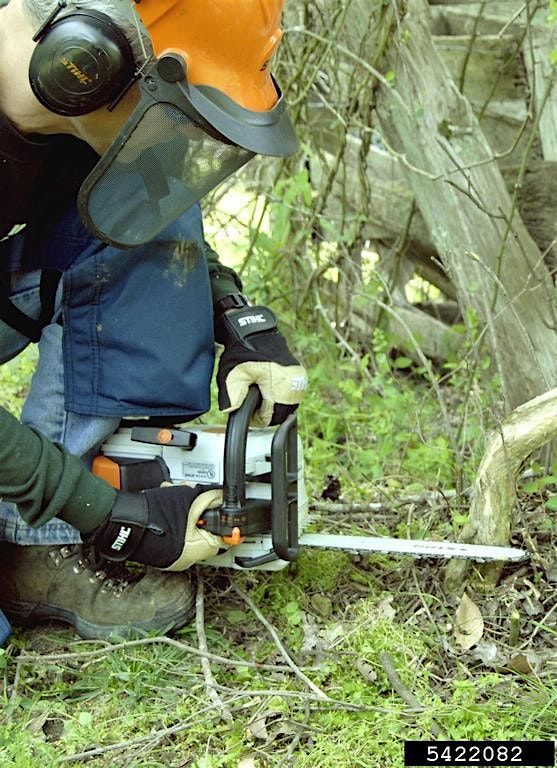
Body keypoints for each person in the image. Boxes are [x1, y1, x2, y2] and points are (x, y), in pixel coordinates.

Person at [0, 0, 307, 641]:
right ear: (86, 59)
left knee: (139, 220)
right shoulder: (79, 97)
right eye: (178, 112)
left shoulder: (67, 123)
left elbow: (141, 205)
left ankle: (40, 551)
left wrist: (238, 319)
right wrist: (107, 514)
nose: (174, 138)